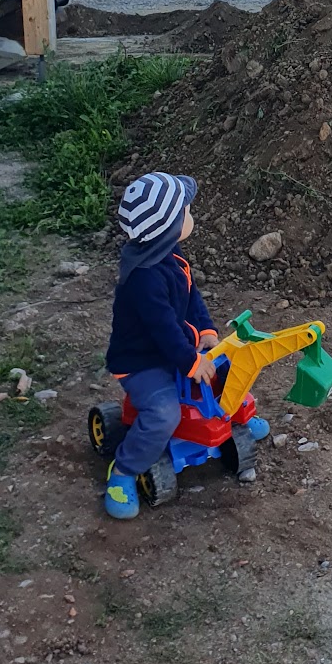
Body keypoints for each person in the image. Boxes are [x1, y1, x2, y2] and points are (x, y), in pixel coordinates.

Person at [102, 171, 268, 519]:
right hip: (142, 362)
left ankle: (235, 419)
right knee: (163, 414)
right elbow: (163, 329)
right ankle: (124, 471)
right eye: (187, 212)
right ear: (169, 227)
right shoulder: (143, 280)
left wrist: (205, 330)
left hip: (174, 348)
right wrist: (191, 361)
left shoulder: (170, 256)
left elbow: (191, 296)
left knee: (227, 366)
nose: (192, 216)